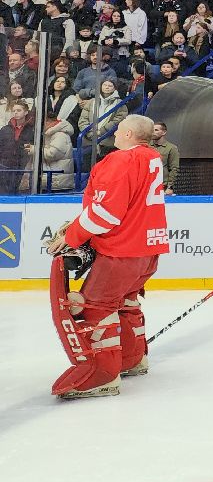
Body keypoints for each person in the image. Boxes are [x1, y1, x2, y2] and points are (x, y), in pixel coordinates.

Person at [45, 114, 169, 399]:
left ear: (128, 134)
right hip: (147, 250)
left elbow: (105, 214)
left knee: (96, 307)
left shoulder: (120, 161)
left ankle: (103, 374)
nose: (113, 133)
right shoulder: (151, 158)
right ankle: (132, 358)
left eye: (118, 129)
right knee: (124, 301)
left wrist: (72, 235)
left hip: (122, 250)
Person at [152, 121, 180, 193]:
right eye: (152, 130)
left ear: (164, 132)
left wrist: (170, 187)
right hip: (147, 185)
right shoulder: (146, 146)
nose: (153, 132)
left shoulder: (171, 148)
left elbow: (174, 168)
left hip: (162, 186)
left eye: (156, 130)